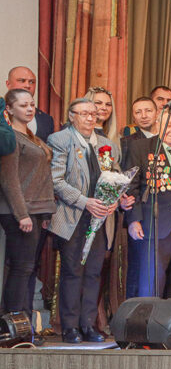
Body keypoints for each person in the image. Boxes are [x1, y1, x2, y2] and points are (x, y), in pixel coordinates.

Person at [48, 98, 129, 342]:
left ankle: (89, 325)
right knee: (73, 271)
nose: (90, 118)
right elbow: (56, 180)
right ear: (71, 116)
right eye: (84, 113)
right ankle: (70, 327)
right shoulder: (60, 140)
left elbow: (116, 177)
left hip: (101, 217)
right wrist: (85, 202)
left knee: (94, 272)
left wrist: (115, 199)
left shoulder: (106, 144)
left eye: (93, 114)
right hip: (73, 215)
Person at [125, 111, 171, 300]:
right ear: (158, 124)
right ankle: (150, 317)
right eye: (169, 125)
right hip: (154, 224)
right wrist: (134, 220)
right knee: (152, 281)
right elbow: (131, 186)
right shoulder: (141, 148)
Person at [0, 89, 56, 314]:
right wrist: (22, 214)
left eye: (32, 104)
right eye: (23, 106)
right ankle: (12, 322)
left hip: (36, 210)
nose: (30, 109)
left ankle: (24, 322)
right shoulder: (10, 137)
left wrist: (46, 212)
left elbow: (43, 177)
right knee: (20, 268)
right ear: (9, 109)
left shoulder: (33, 138)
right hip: (19, 211)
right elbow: (9, 179)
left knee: (28, 268)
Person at [7, 66, 55, 141]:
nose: (27, 85)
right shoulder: (1, 113)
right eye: (22, 81)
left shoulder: (46, 120)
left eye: (31, 82)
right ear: (8, 84)